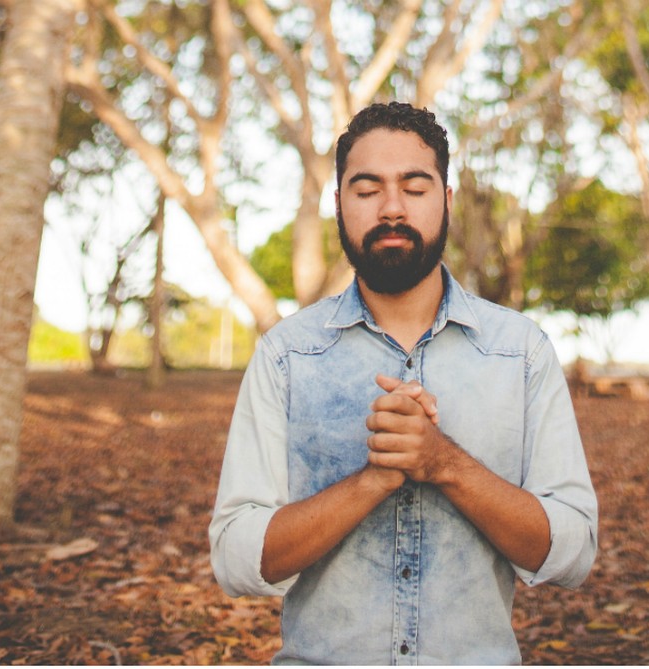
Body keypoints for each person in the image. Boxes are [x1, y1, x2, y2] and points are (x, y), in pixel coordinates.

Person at [209, 101, 598, 665]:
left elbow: (573, 554)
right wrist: (373, 481)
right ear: (338, 203)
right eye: (366, 190)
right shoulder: (286, 356)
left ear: (445, 200)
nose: (392, 208)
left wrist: (444, 464)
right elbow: (238, 561)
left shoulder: (520, 352)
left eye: (414, 188)